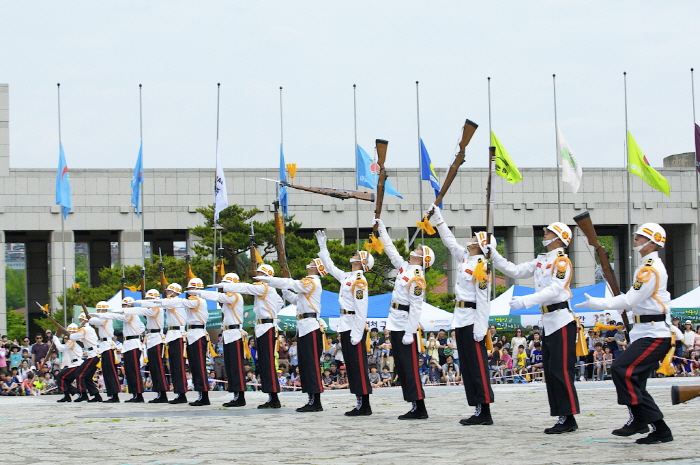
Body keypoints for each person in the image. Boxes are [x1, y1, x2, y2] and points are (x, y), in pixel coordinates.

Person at [577, 223, 675, 444]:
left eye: (640, 236)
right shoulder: (645, 266)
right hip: (644, 331)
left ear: (652, 241)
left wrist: (597, 303)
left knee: (622, 368)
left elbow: (630, 300)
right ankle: (661, 430)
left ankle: (639, 419)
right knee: (636, 382)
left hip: (655, 333)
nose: (636, 239)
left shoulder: (649, 269)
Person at [489, 222, 580, 434]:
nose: (544, 233)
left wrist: (527, 301)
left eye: (549, 232)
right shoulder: (542, 260)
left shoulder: (561, 261)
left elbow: (555, 289)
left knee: (561, 371)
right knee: (551, 371)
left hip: (561, 319)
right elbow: (515, 270)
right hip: (548, 320)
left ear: (558, 238)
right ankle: (561, 415)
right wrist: (493, 254)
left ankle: (569, 416)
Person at [428, 204, 495, 426]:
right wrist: (438, 219)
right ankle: (476, 407)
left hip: (473, 319)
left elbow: (484, 300)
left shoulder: (482, 266)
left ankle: (484, 409)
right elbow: (449, 241)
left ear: (482, 245)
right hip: (461, 317)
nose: (471, 239)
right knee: (467, 365)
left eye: (476, 238)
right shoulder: (466, 258)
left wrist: (480, 327)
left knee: (477, 365)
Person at [372, 218, 431, 419]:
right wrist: (382, 230)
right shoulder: (405, 268)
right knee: (403, 368)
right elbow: (391, 250)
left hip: (405, 323)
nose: (416, 250)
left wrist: (410, 331)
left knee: (410, 366)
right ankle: (413, 404)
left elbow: (416, 306)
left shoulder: (416, 276)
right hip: (395, 320)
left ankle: (419, 406)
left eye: (421, 251)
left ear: (424, 260)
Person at [254, 259, 327, 412]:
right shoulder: (306, 286)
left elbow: (293, 284)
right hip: (303, 326)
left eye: (313, 263)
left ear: (318, 268)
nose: (309, 263)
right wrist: (285, 290)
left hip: (311, 325)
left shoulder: (311, 282)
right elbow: (295, 299)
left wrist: (272, 280)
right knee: (305, 365)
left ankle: (316, 401)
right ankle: (311, 399)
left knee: (312, 365)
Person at [316, 230, 373, 416]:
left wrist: (357, 334)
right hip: (346, 325)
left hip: (354, 327)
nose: (354, 255)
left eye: (357, 255)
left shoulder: (359, 281)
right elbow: (330, 267)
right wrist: (323, 248)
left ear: (361, 261)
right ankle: (359, 401)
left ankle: (365, 404)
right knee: (351, 365)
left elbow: (362, 310)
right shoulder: (348, 277)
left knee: (358, 365)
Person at [217, 264, 283, 409]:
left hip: (267, 326)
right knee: (263, 364)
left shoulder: (264, 287)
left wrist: (270, 316)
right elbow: (280, 302)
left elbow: (245, 288)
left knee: (268, 363)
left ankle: (274, 398)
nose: (256, 274)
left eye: (259, 272)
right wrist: (271, 312)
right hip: (261, 326)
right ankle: (271, 396)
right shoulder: (266, 290)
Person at [155, 278, 211, 406]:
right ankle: (196, 394)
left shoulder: (197, 301)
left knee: (199, 367)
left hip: (195, 334)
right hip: (190, 334)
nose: (189, 291)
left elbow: (178, 302)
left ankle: (203, 395)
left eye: (191, 288)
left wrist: (154, 301)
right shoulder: (188, 301)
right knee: (191, 367)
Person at [91, 296, 146, 402]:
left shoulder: (131, 315)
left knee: (134, 370)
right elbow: (142, 327)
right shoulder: (130, 316)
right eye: (124, 305)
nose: (125, 307)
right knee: (129, 371)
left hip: (133, 344)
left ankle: (139, 395)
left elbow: (116, 317)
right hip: (127, 344)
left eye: (127, 305)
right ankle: (134, 394)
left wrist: (136, 335)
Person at [129, 289, 171, 404]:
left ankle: (163, 393)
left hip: (157, 337)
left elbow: (144, 311)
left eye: (149, 299)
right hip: (151, 337)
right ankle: (158, 392)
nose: (148, 301)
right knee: (153, 368)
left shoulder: (156, 308)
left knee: (158, 367)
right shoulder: (151, 309)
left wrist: (138, 304)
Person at [88, 301, 122, 402]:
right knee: (107, 372)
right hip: (104, 346)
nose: (98, 311)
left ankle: (115, 395)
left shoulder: (105, 317)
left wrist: (89, 316)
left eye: (99, 309)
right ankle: (111, 394)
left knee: (110, 371)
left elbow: (93, 321)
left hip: (108, 346)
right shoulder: (102, 318)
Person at [71, 313, 101, 402]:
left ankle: (83, 394)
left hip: (93, 355)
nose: (79, 321)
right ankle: (96, 395)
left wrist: (70, 333)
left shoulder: (85, 329)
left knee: (79, 373)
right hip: (93, 354)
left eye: (80, 319)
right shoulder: (89, 329)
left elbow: (72, 337)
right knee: (87, 376)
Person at [52, 324, 84, 402]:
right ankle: (75, 391)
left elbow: (61, 348)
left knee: (60, 376)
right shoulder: (75, 341)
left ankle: (67, 395)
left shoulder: (72, 341)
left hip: (77, 364)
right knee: (66, 381)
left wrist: (56, 340)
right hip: (74, 364)